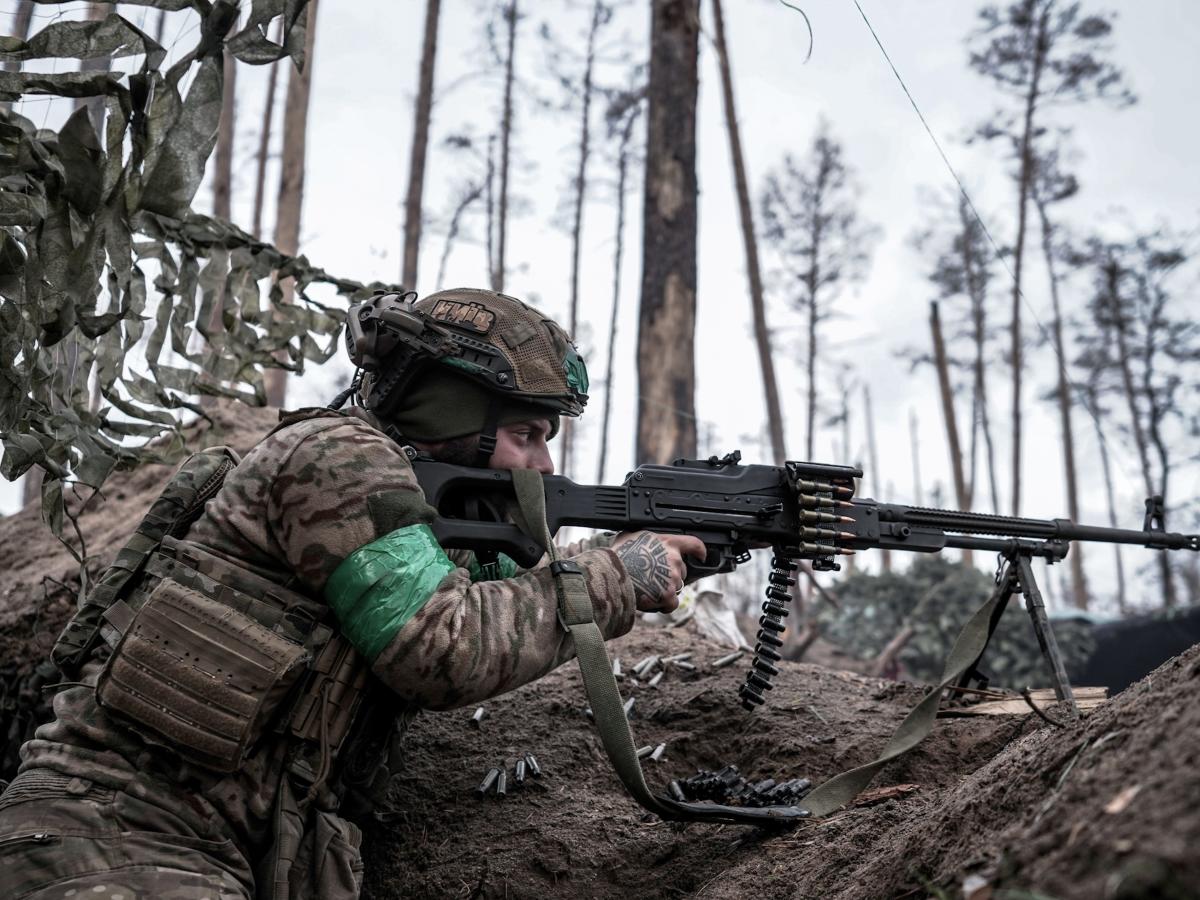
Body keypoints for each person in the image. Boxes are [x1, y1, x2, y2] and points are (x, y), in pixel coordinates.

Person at [0, 288, 705, 900]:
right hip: (114, 834)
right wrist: (618, 577)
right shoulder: (337, 458)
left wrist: (666, 554)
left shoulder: (427, 525)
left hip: (221, 853)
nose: (544, 463)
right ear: (448, 412)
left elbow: (514, 605)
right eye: (526, 434)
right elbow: (442, 647)